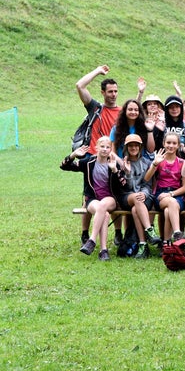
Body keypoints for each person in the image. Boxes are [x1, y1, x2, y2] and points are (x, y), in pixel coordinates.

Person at [75, 65, 122, 244]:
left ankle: (118, 233)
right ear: (103, 93)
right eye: (110, 91)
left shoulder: (121, 112)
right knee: (90, 197)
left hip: (113, 158)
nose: (113, 94)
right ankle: (85, 233)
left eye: (116, 91)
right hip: (92, 158)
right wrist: (97, 71)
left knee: (114, 193)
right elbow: (80, 86)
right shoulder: (95, 108)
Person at [61, 137, 125, 261]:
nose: (105, 149)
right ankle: (104, 250)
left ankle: (92, 240)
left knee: (103, 206)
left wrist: (114, 170)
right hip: (93, 198)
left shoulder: (113, 163)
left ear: (111, 150)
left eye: (108, 147)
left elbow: (123, 184)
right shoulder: (88, 162)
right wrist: (73, 155)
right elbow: (64, 166)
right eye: (102, 146)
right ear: (96, 148)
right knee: (105, 214)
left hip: (110, 199)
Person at [119, 134, 162, 257]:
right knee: (136, 198)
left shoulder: (146, 163)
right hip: (127, 196)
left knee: (135, 209)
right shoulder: (122, 164)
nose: (133, 148)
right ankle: (149, 230)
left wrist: (144, 193)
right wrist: (127, 173)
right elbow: (126, 187)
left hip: (144, 197)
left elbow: (148, 184)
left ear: (140, 147)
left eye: (136, 145)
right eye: (130, 146)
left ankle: (143, 245)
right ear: (126, 148)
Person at [144, 132, 185, 241]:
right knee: (171, 202)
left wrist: (170, 194)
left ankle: (166, 243)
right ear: (164, 143)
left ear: (178, 145)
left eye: (174, 143)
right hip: (160, 194)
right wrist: (155, 164)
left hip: (176, 194)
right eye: (168, 142)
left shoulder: (181, 162)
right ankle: (177, 232)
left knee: (168, 210)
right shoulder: (159, 160)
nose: (171, 145)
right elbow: (146, 178)